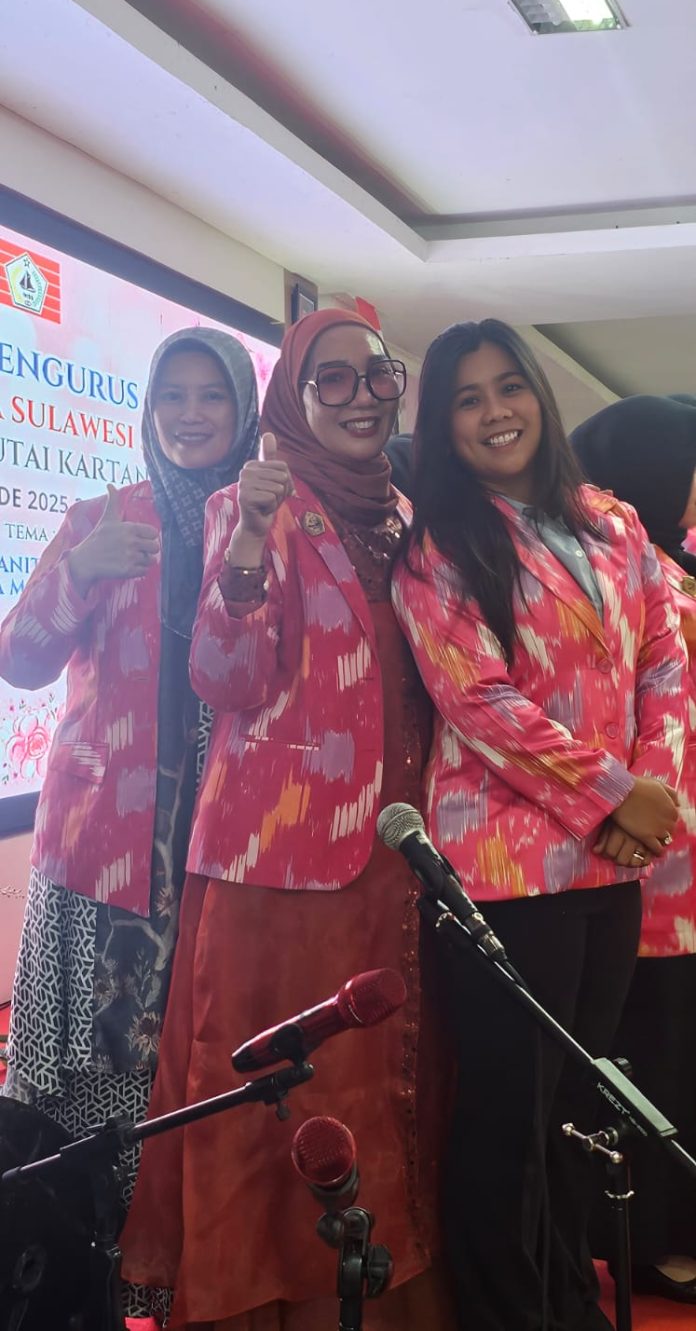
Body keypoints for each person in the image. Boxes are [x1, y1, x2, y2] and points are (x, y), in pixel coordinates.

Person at [121, 308, 454, 1330]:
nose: (360, 397)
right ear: (294, 399)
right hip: (275, 868)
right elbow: (225, 677)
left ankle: (369, 1297)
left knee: (376, 1083)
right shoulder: (253, 501)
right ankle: (261, 1296)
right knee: (277, 1093)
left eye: (376, 375)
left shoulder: (407, 516)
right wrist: (248, 544)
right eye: (331, 380)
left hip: (396, 853)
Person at [391, 320, 688, 1331]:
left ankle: (569, 1298)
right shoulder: (437, 547)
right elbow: (478, 702)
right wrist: (612, 794)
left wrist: (651, 796)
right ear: (443, 422)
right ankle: (510, 1312)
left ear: (540, 397)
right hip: (506, 875)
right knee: (510, 1117)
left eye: (509, 387)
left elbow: (664, 662)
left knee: (576, 1109)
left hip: (613, 867)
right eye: (467, 398)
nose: (495, 412)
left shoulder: (614, 521)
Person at [0, 327, 260, 1317]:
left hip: (220, 851)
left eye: (212, 395)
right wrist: (80, 570)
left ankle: (178, 1271)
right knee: (87, 1083)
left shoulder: (262, 527)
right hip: (100, 858)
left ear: (242, 410)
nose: (191, 414)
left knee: (194, 1070)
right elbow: (19, 659)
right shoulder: (101, 518)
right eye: (172, 396)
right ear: (148, 412)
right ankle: (73, 1276)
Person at [572, 395, 696, 1304]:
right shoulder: (616, 571)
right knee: (656, 1048)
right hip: (651, 857)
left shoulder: (673, 565)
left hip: (683, 862)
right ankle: (653, 1238)